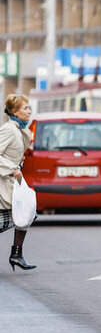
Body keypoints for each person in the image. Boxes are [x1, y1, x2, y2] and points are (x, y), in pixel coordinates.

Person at [1, 94, 36, 271]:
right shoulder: (8, 129)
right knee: (18, 216)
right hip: (3, 181)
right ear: (15, 111)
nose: (29, 111)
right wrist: (12, 169)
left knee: (26, 213)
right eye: (25, 108)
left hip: (12, 181)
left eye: (29, 107)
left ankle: (17, 254)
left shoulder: (20, 130)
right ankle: (16, 254)